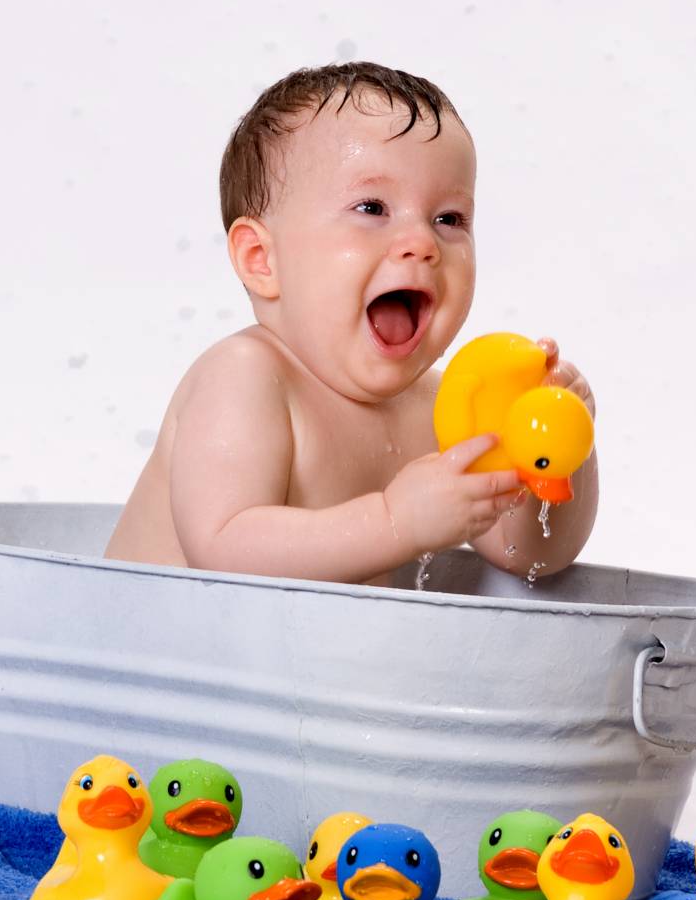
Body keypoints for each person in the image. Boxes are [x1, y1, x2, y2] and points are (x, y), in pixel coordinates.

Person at [106, 62, 598, 585]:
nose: (422, 243)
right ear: (262, 260)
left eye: (449, 219)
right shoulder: (245, 378)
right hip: (143, 652)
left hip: (306, 664)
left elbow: (530, 556)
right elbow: (224, 550)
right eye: (372, 207)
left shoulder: (444, 407)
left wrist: (558, 452)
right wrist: (395, 522)